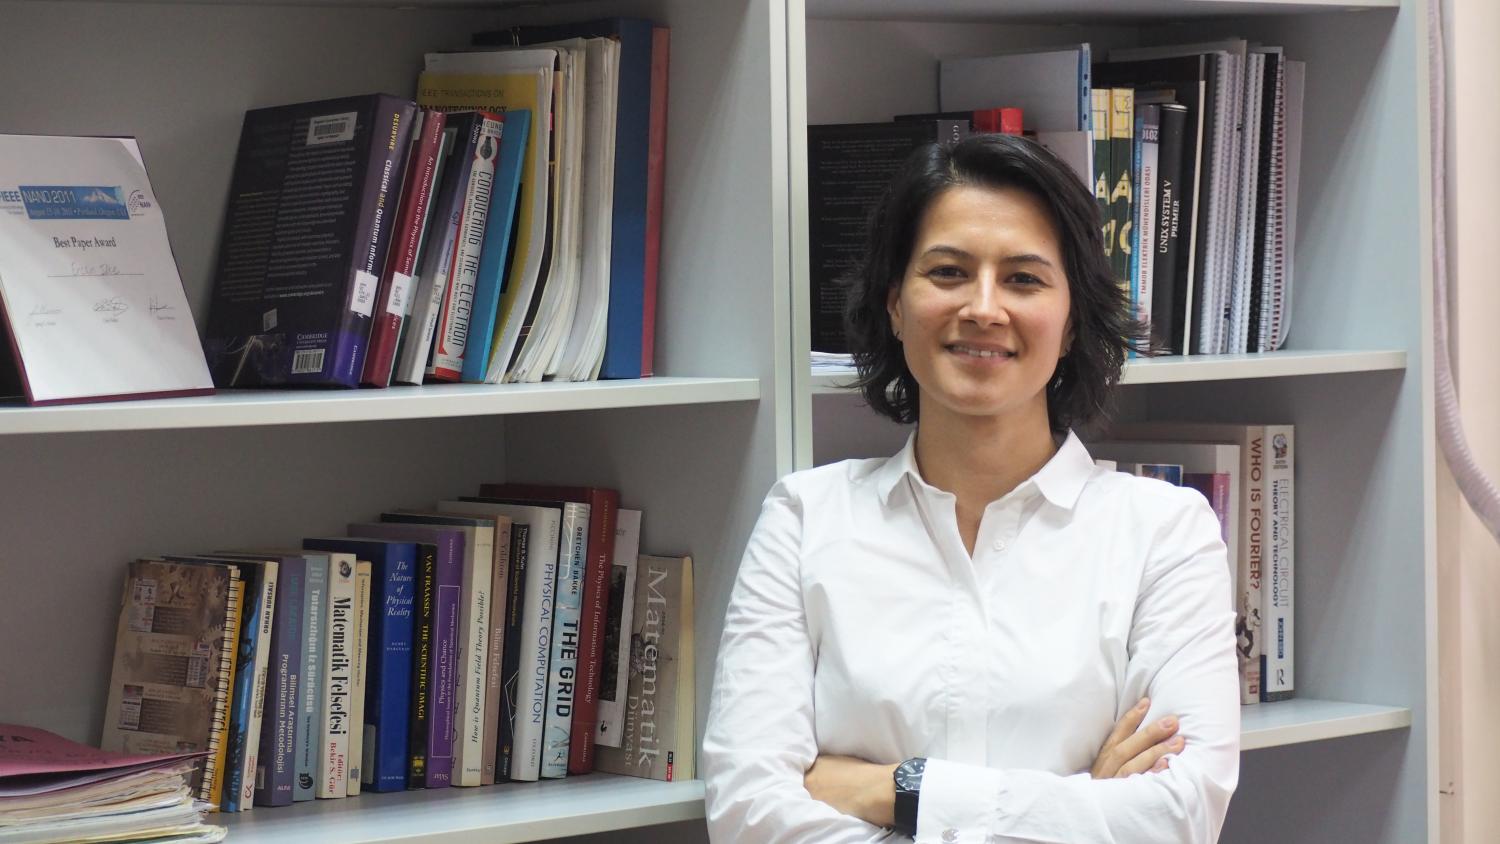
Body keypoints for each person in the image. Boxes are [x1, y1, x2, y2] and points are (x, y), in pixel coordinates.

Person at [701, 134, 1239, 842]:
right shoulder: (804, 520)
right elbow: (748, 815)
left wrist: (898, 789)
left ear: (1073, 321)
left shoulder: (1165, 534)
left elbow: (1176, 818)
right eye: (949, 272)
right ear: (895, 305)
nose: (984, 308)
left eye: (1024, 279)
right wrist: (1081, 804)